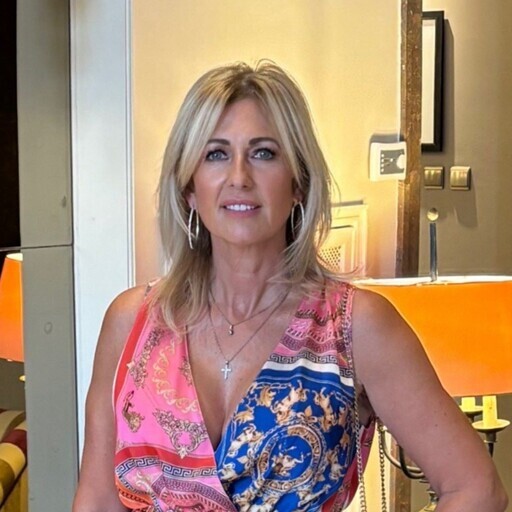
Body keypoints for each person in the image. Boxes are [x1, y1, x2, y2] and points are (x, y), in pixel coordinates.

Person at [73, 61, 507, 512]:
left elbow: (477, 490)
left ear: (298, 182)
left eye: (263, 153)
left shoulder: (356, 326)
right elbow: (97, 500)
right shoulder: (133, 322)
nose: (239, 177)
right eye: (215, 154)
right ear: (188, 188)